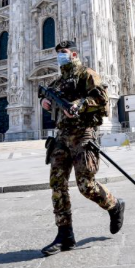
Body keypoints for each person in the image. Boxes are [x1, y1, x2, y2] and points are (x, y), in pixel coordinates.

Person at [39, 40, 125, 256]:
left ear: (74, 54)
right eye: (58, 53)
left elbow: (101, 98)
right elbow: (45, 94)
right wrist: (45, 102)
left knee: (86, 185)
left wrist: (78, 105)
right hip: (61, 137)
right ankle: (65, 234)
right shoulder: (58, 81)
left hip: (83, 134)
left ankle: (114, 205)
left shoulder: (86, 74)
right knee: (57, 184)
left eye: (64, 53)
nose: (60, 56)